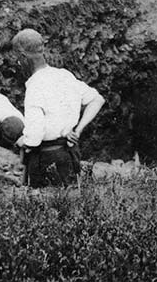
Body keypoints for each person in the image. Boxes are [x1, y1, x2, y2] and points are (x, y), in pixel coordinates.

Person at [11, 28, 105, 188]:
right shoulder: (64, 75)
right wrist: (78, 130)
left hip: (46, 157)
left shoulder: (34, 86)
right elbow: (97, 99)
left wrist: (23, 141)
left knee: (44, 206)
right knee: (72, 202)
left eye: (18, 59)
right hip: (70, 152)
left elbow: (34, 138)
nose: (18, 64)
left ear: (23, 56)